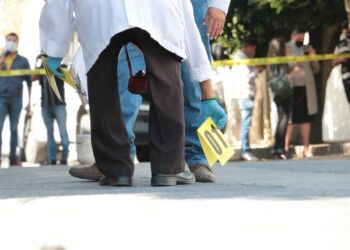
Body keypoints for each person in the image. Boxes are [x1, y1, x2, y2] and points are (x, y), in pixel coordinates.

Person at [40, 0, 226, 186]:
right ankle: (168, 169)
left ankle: (115, 168)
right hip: (155, 8)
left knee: (102, 82)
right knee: (166, 81)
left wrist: (53, 50)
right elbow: (190, 35)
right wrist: (208, 95)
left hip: (99, 10)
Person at [285, 27, 320, 158]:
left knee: (306, 118)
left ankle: (306, 149)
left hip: (306, 88)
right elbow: (286, 65)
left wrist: (313, 57)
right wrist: (296, 60)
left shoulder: (307, 47)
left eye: (303, 37)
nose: (301, 40)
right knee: (289, 119)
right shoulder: (287, 47)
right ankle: (285, 148)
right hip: (291, 87)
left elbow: (316, 69)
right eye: (299, 37)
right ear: (294, 35)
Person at [0, 33, 32, 167]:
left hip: (16, 99)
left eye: (13, 40)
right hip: (1, 97)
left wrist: (29, 102)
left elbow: (29, 82)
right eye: (9, 40)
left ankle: (13, 158)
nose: (11, 42)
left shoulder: (23, 61)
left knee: (14, 128)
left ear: (17, 43)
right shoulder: (0, 58)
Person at [32, 55, 69, 165]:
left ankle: (64, 158)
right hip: (45, 105)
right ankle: (52, 159)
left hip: (59, 105)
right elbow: (33, 78)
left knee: (63, 132)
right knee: (49, 133)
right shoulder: (40, 69)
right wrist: (37, 62)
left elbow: (66, 76)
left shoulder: (60, 66)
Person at [232, 37, 259, 161]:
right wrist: (257, 71)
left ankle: (246, 149)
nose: (253, 51)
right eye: (253, 48)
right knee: (246, 124)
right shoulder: (241, 59)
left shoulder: (240, 58)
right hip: (245, 94)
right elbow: (248, 78)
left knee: (246, 123)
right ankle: (245, 150)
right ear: (248, 46)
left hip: (243, 93)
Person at [267, 37, 294, 160]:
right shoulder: (283, 60)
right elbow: (286, 74)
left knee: (280, 118)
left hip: (276, 92)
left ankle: (277, 147)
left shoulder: (269, 60)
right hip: (285, 91)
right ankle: (280, 148)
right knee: (284, 118)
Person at [333, 20, 350, 103]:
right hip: (346, 76)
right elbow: (333, 62)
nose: (347, 32)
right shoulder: (339, 44)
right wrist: (340, 60)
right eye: (345, 30)